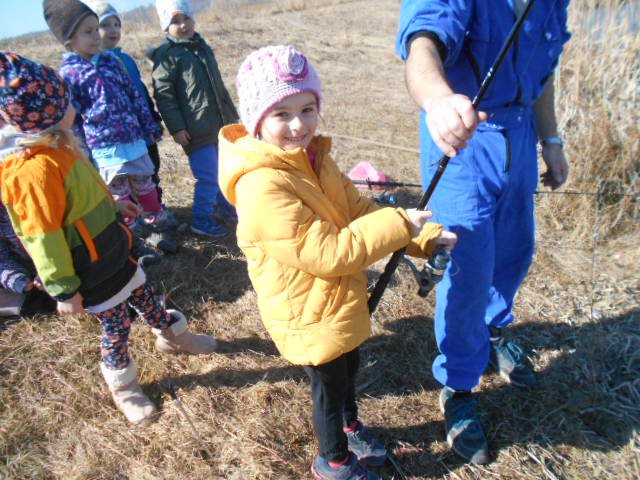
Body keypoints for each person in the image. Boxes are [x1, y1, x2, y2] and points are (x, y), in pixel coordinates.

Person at [218, 45, 457, 480]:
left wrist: (422, 236)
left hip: (337, 301)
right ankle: (334, 461)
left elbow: (360, 210)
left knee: (349, 369)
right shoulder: (260, 186)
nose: (298, 125)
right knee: (328, 390)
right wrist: (400, 224)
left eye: (307, 109)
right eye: (282, 114)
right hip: (306, 313)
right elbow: (327, 253)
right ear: (257, 120)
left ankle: (350, 427)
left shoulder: (316, 160)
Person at [396, 0, 571, 464]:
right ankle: (458, 386)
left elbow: (543, 73)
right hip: (465, 139)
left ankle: (492, 334)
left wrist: (551, 139)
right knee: (468, 271)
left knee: (516, 251)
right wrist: (438, 101)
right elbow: (422, 42)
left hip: (521, 135)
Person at [0, 51, 218, 425]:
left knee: (148, 296)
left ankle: (174, 337)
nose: (75, 106)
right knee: (116, 327)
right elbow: (42, 238)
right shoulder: (31, 172)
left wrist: (113, 206)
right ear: (47, 115)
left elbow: (83, 194)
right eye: (67, 101)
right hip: (91, 269)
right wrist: (64, 289)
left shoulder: (61, 147)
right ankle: (124, 386)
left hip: (114, 249)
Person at [43, 0, 177, 250]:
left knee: (145, 184)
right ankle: (133, 238)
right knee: (119, 193)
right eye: (88, 31)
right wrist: (82, 153)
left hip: (133, 139)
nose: (96, 36)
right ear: (69, 39)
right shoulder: (70, 74)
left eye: (97, 29)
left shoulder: (112, 62)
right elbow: (74, 120)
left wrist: (149, 124)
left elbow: (133, 95)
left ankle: (156, 222)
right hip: (105, 149)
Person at [150, 0, 239, 238]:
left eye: (186, 18)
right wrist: (177, 128)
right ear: (165, 26)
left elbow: (219, 87)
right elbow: (165, 97)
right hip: (195, 130)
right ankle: (202, 219)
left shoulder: (201, 47)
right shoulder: (167, 56)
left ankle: (226, 208)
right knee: (208, 176)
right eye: (175, 21)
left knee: (224, 171)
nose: (183, 25)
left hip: (219, 124)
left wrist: (232, 117)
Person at [86, 0, 167, 202]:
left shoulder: (126, 59)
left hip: (144, 131)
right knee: (124, 180)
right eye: (105, 25)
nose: (113, 30)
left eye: (116, 24)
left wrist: (153, 117)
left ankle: (156, 207)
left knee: (151, 170)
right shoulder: (93, 66)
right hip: (121, 137)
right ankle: (134, 213)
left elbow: (140, 91)